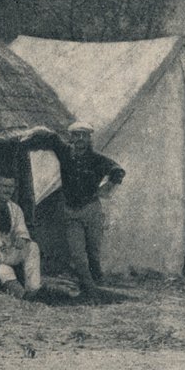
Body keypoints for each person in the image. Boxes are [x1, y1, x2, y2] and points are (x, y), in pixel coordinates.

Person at [51, 121, 124, 301]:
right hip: (71, 212)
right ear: (71, 137)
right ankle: (90, 289)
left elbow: (118, 170)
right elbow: (51, 139)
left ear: (89, 138)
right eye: (76, 135)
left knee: (93, 251)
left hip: (91, 210)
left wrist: (108, 185)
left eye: (84, 135)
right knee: (77, 253)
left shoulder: (97, 158)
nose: (80, 139)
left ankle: (95, 282)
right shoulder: (65, 153)